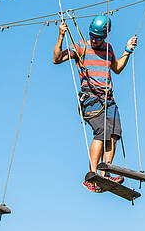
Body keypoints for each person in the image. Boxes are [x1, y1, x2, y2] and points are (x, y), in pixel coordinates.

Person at [53, 15, 137, 193]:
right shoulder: (81, 47)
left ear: (105, 36)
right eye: (92, 35)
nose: (94, 40)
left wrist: (127, 51)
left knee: (114, 134)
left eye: (98, 37)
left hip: (108, 98)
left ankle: (105, 172)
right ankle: (92, 174)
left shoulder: (108, 49)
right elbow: (57, 59)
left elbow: (117, 69)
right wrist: (61, 36)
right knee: (102, 132)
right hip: (91, 98)